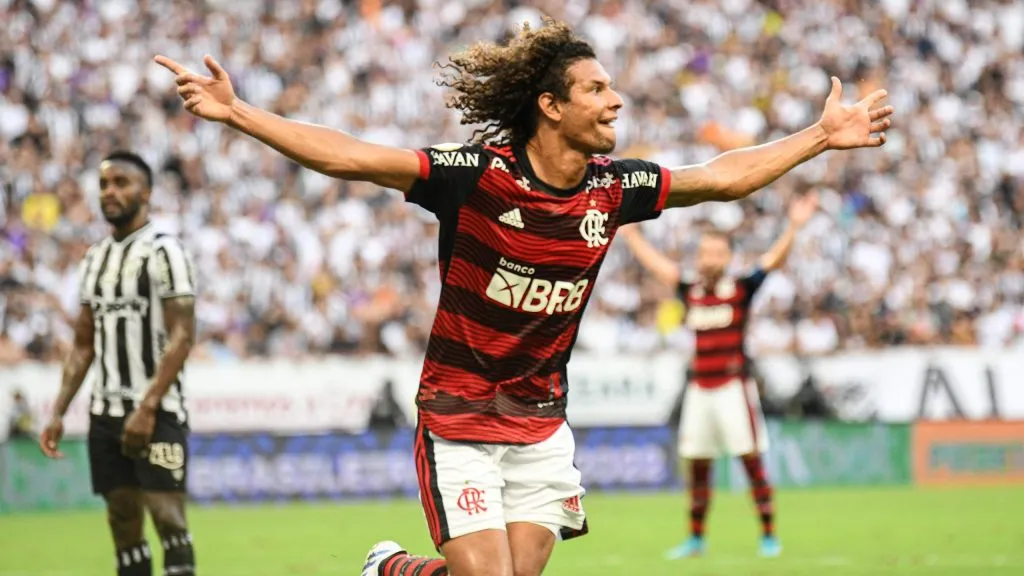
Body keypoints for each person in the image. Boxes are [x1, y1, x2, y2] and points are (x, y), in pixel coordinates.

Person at [155, 18, 892, 576]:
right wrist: (241, 113)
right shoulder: (476, 177)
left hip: (540, 423)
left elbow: (723, 177)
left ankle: (392, 568)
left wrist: (821, 138)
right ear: (550, 106)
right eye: (597, 90)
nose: (617, 100)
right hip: (459, 414)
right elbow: (352, 156)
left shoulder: (615, 187)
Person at [619, 192, 819, 559]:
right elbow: (660, 267)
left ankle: (769, 535)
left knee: (749, 458)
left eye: (717, 253)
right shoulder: (690, 291)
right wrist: (631, 236)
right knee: (698, 465)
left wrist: (794, 226)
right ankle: (696, 538)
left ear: (727, 258)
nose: (710, 259)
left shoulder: (740, 290)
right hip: (699, 389)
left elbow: (771, 261)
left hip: (733, 387)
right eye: (705, 252)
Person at [39, 152, 198, 576]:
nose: (110, 192)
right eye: (105, 184)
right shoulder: (94, 258)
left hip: (158, 409)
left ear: (145, 192)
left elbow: (182, 336)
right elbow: (82, 344)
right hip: (104, 412)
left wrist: (147, 408)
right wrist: (57, 410)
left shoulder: (165, 252)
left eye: (122, 183)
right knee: (122, 522)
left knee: (168, 517)